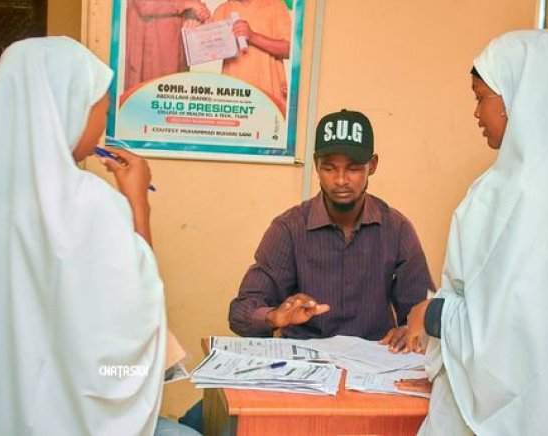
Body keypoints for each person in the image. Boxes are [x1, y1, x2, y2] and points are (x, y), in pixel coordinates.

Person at [403, 30, 548, 435]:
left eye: (480, 97)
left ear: (518, 98)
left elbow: (503, 340)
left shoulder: (511, 196)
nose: (476, 113)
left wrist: (432, 313)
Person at [0, 37, 196, 435]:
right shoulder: (86, 202)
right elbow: (136, 308)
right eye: (101, 111)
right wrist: (137, 202)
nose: (102, 126)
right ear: (65, 108)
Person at [178, 109, 435, 432]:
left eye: (354, 168)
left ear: (373, 165)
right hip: (299, 381)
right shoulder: (289, 228)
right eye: (329, 168)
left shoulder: (396, 228)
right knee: (203, 421)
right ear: (315, 165)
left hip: (370, 383)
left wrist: (415, 326)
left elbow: (424, 310)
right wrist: (275, 318)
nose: (341, 180)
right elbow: (241, 312)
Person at [211, 0, 291, 116]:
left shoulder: (275, 4)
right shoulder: (221, 11)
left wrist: (252, 36)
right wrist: (195, 29)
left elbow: (289, 50)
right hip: (234, 104)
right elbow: (206, 50)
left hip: (271, 98)